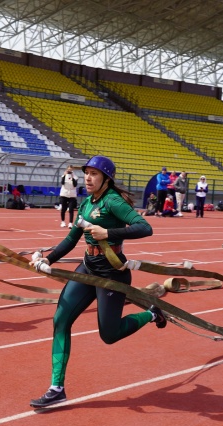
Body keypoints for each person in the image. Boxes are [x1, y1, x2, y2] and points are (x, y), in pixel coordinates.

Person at [28, 155, 163, 408]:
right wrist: (48, 260)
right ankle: (57, 388)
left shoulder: (113, 201)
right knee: (60, 321)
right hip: (87, 268)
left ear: (106, 179)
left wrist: (109, 232)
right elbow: (71, 239)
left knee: (109, 335)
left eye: (94, 174)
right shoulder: (87, 203)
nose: (88, 178)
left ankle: (152, 314)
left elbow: (145, 227)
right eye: (86, 173)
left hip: (112, 274)